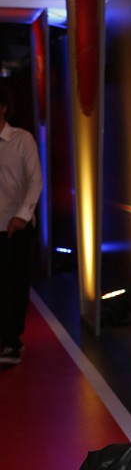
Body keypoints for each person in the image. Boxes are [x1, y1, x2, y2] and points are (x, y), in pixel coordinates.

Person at [0, 84, 42, 365]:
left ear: (3, 108)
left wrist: (22, 215)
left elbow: (34, 181)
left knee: (14, 285)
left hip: (15, 227)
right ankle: (8, 340)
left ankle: (12, 338)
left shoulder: (21, 139)